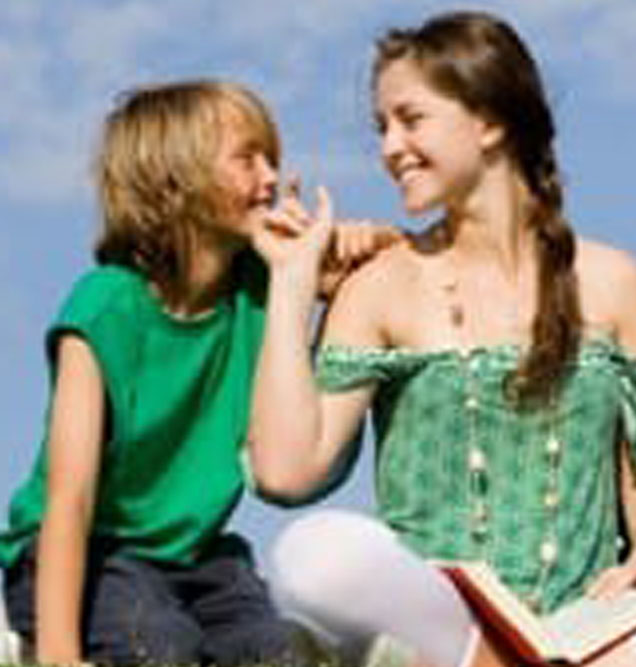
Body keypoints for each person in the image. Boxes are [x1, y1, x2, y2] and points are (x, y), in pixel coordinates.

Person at [248, 11, 636, 667]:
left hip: (590, 621)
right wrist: (291, 283)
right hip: (449, 618)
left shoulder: (615, 280)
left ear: (489, 122)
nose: (390, 147)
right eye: (382, 127)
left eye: (410, 119)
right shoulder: (380, 284)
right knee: (314, 555)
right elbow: (285, 473)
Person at [0, 79, 394, 666]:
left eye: (271, 159)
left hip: (202, 562)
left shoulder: (265, 285)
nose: (271, 178)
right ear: (174, 182)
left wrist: (364, 246)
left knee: (278, 652)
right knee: (160, 646)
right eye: (247, 160)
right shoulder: (104, 308)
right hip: (90, 555)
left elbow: (391, 265)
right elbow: (69, 497)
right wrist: (60, 654)